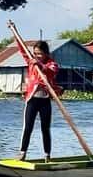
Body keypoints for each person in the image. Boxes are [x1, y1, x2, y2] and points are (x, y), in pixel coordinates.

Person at [13, 31, 60, 162]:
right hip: (32, 100)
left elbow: (51, 71)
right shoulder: (31, 61)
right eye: (35, 54)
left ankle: (47, 155)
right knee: (28, 127)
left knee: (45, 128)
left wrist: (40, 65)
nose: (37, 56)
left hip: (44, 101)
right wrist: (15, 33)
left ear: (46, 54)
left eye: (40, 54)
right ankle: (22, 153)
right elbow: (22, 50)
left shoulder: (51, 63)